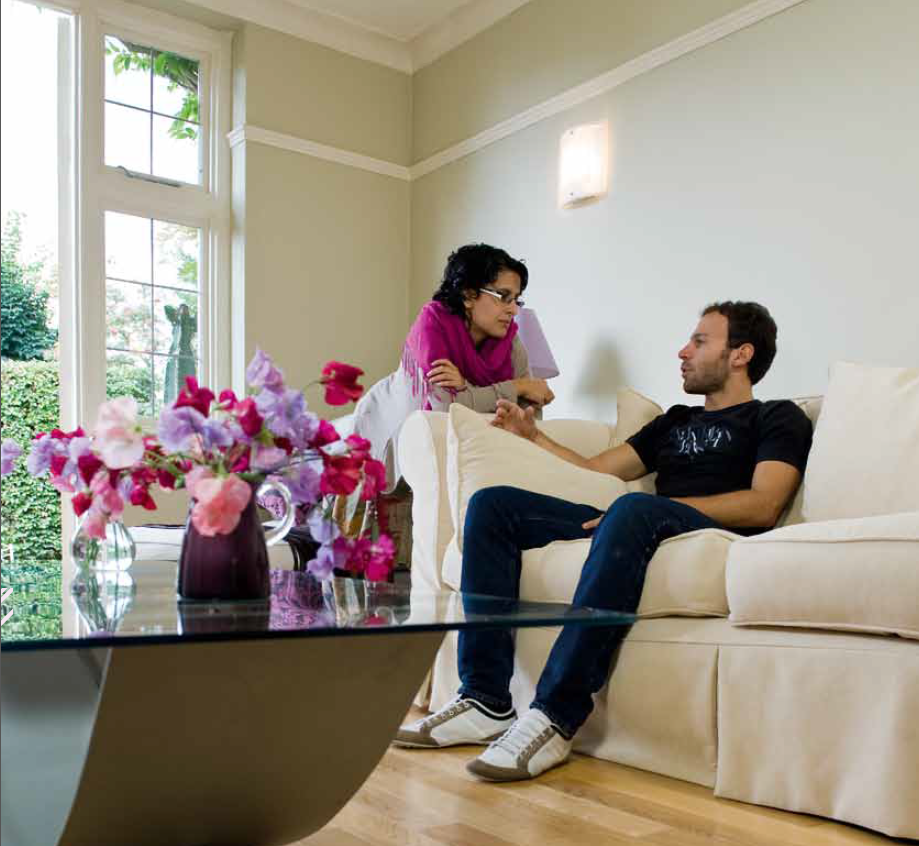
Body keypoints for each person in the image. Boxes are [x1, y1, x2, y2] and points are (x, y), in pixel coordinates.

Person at [394, 300, 813, 782]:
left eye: (699, 342)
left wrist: (648, 510)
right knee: (494, 505)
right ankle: (485, 698)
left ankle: (555, 713)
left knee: (633, 507)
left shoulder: (777, 417)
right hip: (640, 521)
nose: (683, 351)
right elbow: (596, 469)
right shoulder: (675, 421)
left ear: (740, 354)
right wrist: (533, 437)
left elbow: (764, 504)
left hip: (700, 529)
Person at [350, 243, 556, 490]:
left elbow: (528, 420)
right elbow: (444, 409)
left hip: (465, 447)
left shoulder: (511, 342)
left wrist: (465, 389)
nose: (513, 309)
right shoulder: (432, 326)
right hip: (384, 424)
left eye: (516, 300)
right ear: (468, 295)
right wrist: (517, 387)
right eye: (503, 296)